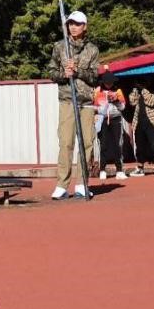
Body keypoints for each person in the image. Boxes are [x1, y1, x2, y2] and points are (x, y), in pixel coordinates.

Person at [47, 10, 99, 199]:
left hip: (86, 101)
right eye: (70, 23)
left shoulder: (92, 49)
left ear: (84, 26)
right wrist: (64, 75)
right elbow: (51, 72)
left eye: (77, 24)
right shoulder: (59, 47)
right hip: (67, 100)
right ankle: (62, 185)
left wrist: (78, 72)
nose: (73, 27)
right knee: (66, 142)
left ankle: (82, 183)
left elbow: (94, 76)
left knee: (87, 143)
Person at [128, 78, 154, 178]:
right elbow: (132, 102)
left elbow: (151, 102)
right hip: (139, 123)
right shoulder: (138, 93)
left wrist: (144, 90)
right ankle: (140, 169)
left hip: (152, 123)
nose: (140, 85)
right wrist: (135, 90)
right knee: (140, 147)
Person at [93, 71, 126, 180]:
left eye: (111, 82)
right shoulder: (98, 91)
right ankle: (102, 170)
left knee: (117, 144)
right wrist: (101, 109)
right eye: (107, 83)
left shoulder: (118, 91)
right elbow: (94, 106)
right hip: (102, 119)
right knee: (103, 144)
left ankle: (119, 170)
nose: (109, 84)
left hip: (116, 119)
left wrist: (116, 101)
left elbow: (123, 107)